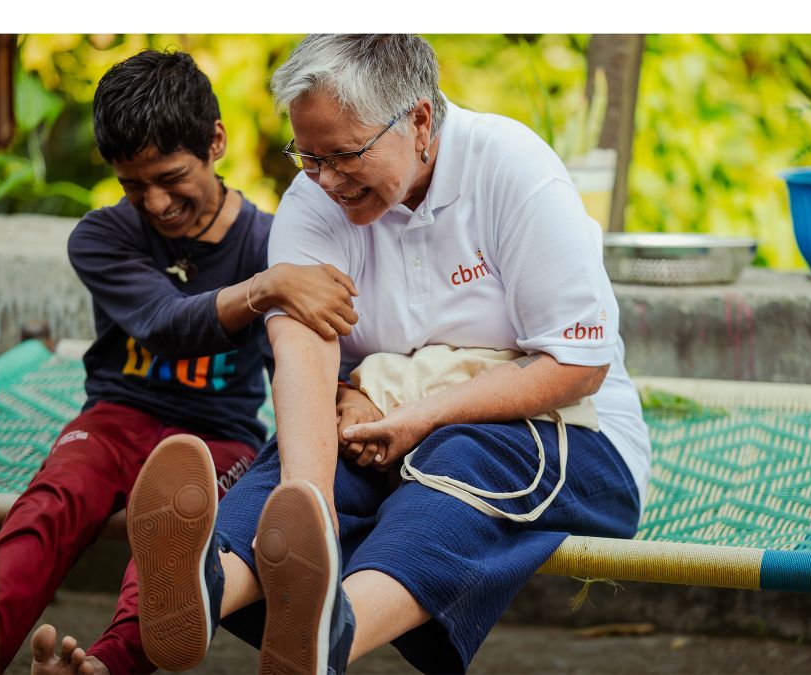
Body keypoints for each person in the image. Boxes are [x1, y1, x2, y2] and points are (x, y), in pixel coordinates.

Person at [127, 34, 652, 674]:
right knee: (303, 459)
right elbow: (305, 360)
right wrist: (309, 512)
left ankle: (329, 632)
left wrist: (422, 417)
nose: (325, 179)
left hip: (572, 436)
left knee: (459, 457)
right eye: (308, 156)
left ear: (420, 121)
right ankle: (208, 591)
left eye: (345, 155)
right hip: (389, 418)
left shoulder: (513, 171)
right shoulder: (314, 200)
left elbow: (579, 365)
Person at [0, 49, 360, 675]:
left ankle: (109, 665)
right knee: (51, 501)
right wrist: (266, 287)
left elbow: (303, 359)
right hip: (114, 419)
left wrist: (346, 394)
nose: (156, 203)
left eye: (170, 177)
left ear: (215, 141)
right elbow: (165, 324)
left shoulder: (274, 241)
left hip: (219, 437)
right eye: (133, 185)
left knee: (175, 546)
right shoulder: (103, 236)